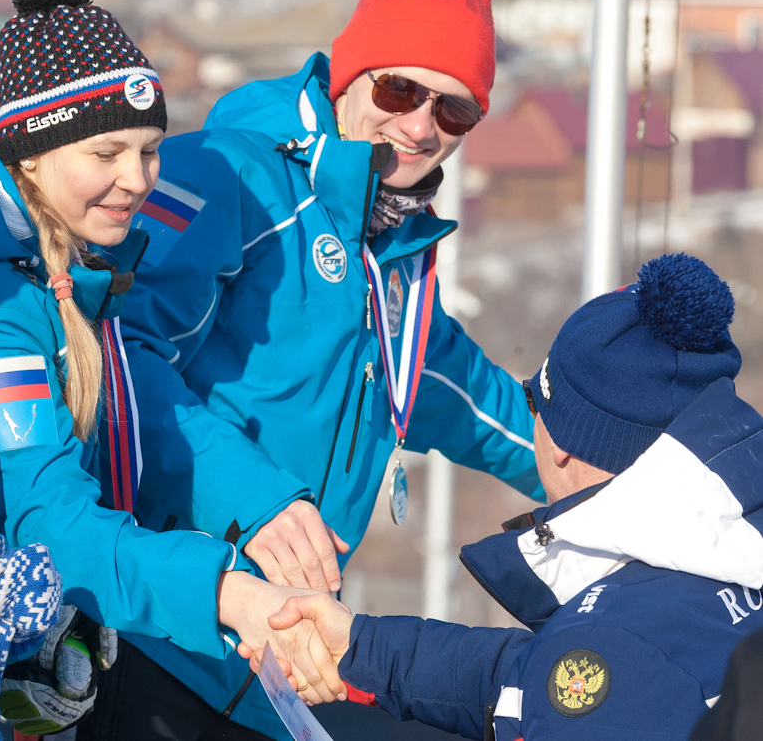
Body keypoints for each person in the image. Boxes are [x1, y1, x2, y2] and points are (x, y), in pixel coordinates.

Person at [93, 0, 542, 740]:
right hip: (160, 632)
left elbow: (475, 403)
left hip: (277, 659)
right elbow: (117, 359)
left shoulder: (393, 250)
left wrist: (622, 482)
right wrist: (252, 499)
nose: (421, 128)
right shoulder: (230, 175)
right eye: (400, 91)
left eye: (454, 109)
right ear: (350, 73)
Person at [0, 0, 352, 715]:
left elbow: (127, 396)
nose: (139, 180)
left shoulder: (66, 250)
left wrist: (256, 497)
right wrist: (228, 594)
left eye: (149, 151)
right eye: (107, 153)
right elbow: (49, 522)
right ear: (31, 153)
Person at [262, 253, 763, 741]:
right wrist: (363, 648)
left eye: (533, 400)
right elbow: (540, 675)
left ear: (563, 444)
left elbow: (590, 676)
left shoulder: (612, 644)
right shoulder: (720, 555)